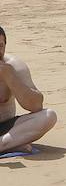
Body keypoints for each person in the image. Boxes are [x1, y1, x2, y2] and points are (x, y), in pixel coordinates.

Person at [0, 26, 58, 154]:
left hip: (6, 127)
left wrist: (10, 77)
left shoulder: (14, 66)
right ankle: (11, 145)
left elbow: (36, 106)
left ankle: (3, 144)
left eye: (1, 46)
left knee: (49, 116)